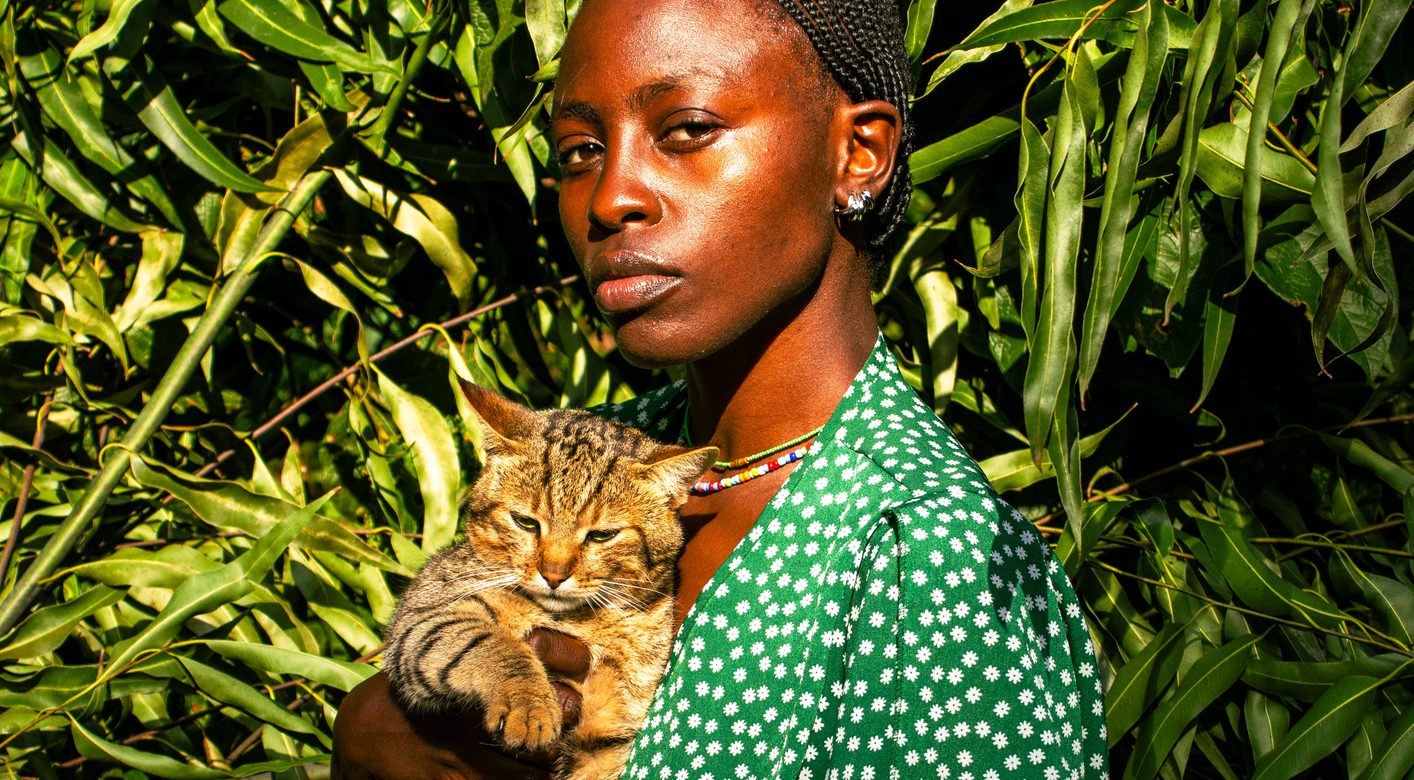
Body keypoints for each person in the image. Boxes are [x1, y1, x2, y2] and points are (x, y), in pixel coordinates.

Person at [332, 0, 1109, 777]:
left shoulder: (932, 567)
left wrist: (376, 741)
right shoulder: (601, 446)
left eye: (688, 130)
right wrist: (370, 736)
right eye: (578, 151)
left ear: (858, 153)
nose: (610, 199)